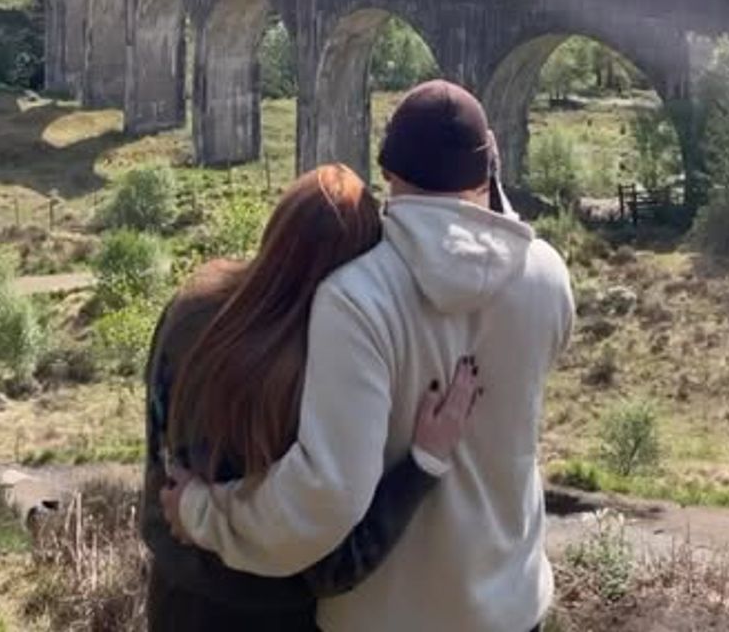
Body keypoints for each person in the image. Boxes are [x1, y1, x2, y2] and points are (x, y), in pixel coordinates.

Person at [164, 82, 575, 632]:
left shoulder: (357, 296)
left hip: (386, 615)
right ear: (487, 168)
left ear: (388, 171)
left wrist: (203, 514)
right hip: (512, 605)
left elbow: (327, 494)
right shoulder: (547, 275)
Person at [143, 162, 480, 631]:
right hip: (274, 615)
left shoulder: (190, 308)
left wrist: (185, 515)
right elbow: (332, 563)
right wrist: (423, 466)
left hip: (177, 597)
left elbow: (159, 453)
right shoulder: (320, 369)